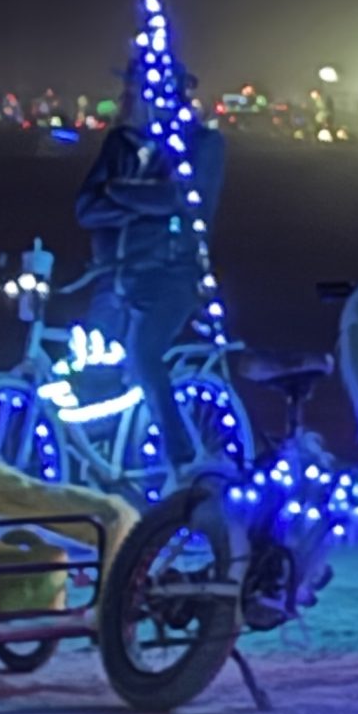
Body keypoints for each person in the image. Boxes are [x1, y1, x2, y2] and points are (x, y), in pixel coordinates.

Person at [76, 68, 227, 467]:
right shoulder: (120, 143)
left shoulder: (202, 145)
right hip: (116, 274)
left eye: (138, 92)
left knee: (144, 356)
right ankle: (103, 450)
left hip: (172, 274)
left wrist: (116, 190)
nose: (130, 100)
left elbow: (178, 200)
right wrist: (139, 200)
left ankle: (183, 459)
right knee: (90, 359)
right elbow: (85, 209)